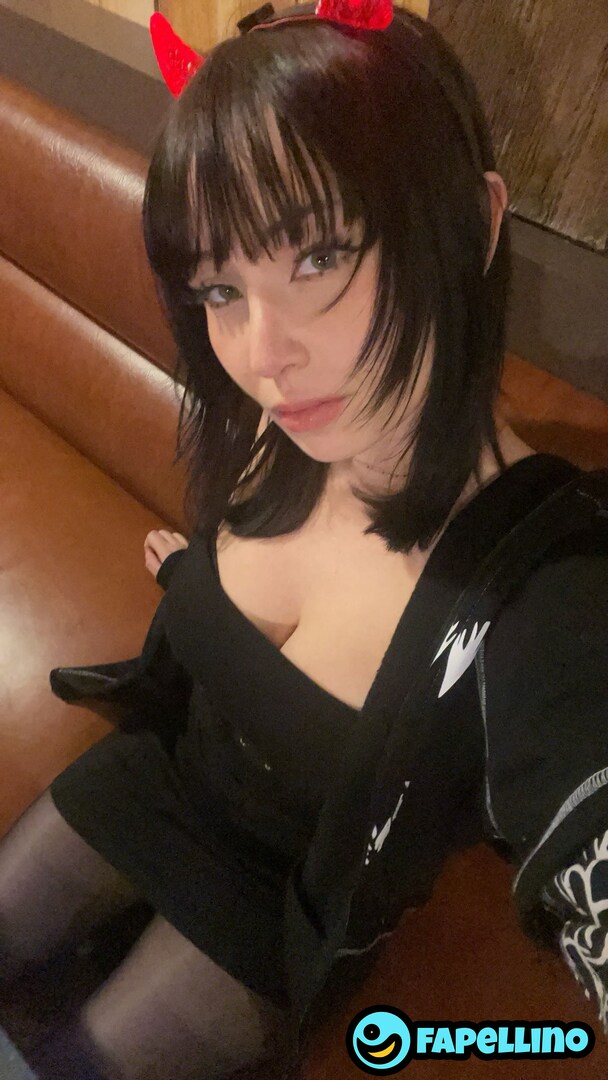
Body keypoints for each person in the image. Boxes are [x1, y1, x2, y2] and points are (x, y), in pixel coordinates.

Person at [0, 2, 607, 1077]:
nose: (260, 353)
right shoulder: (280, 427)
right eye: (219, 288)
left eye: (320, 255)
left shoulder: (539, 590)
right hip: (158, 777)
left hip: (267, 909)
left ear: (471, 226)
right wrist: (194, 581)